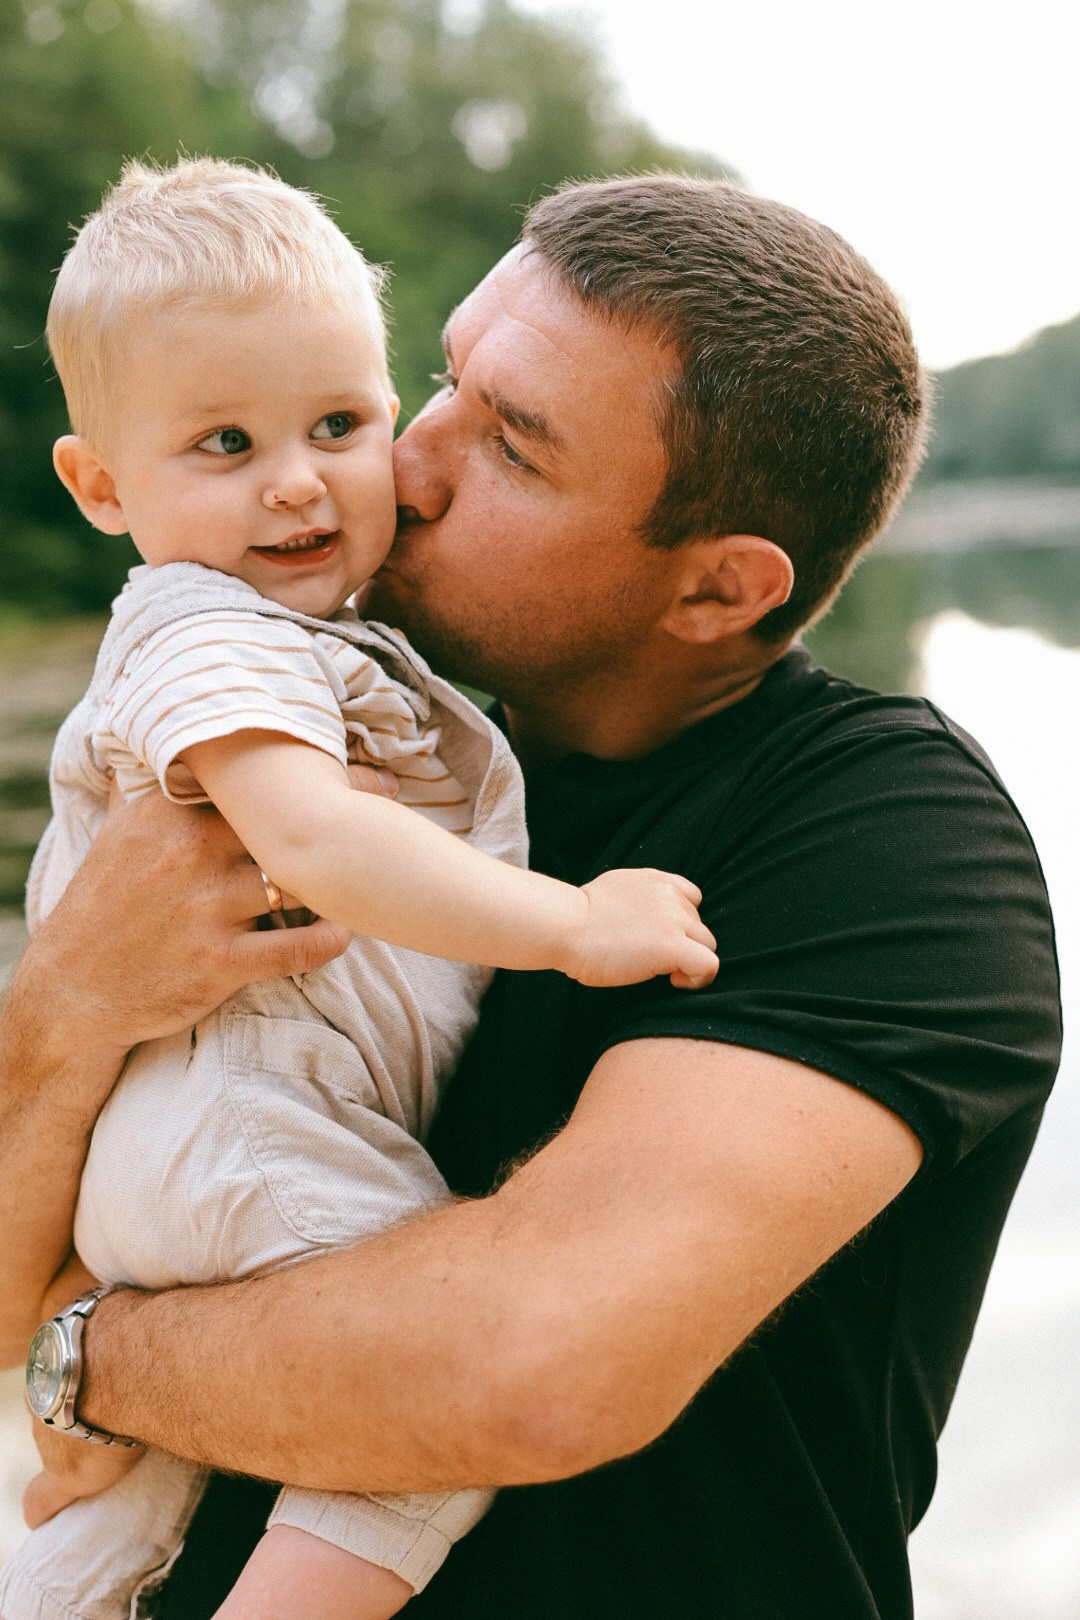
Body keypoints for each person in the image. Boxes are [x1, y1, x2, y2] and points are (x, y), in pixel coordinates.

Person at [0, 175, 1061, 1620]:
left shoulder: (892, 833)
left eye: (511, 445)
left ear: (717, 590)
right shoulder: (355, 737)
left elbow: (533, 1367)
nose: (408, 461)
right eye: (440, 383)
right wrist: (67, 1000)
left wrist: (93, 1361)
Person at [0, 159, 717, 1620]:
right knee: (418, 1427)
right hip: (253, 1136)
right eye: (222, 442)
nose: (294, 479)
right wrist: (577, 925)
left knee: (93, 1533)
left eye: (338, 424)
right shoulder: (212, 633)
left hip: (210, 1150)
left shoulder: (316, 630)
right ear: (101, 485)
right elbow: (315, 843)